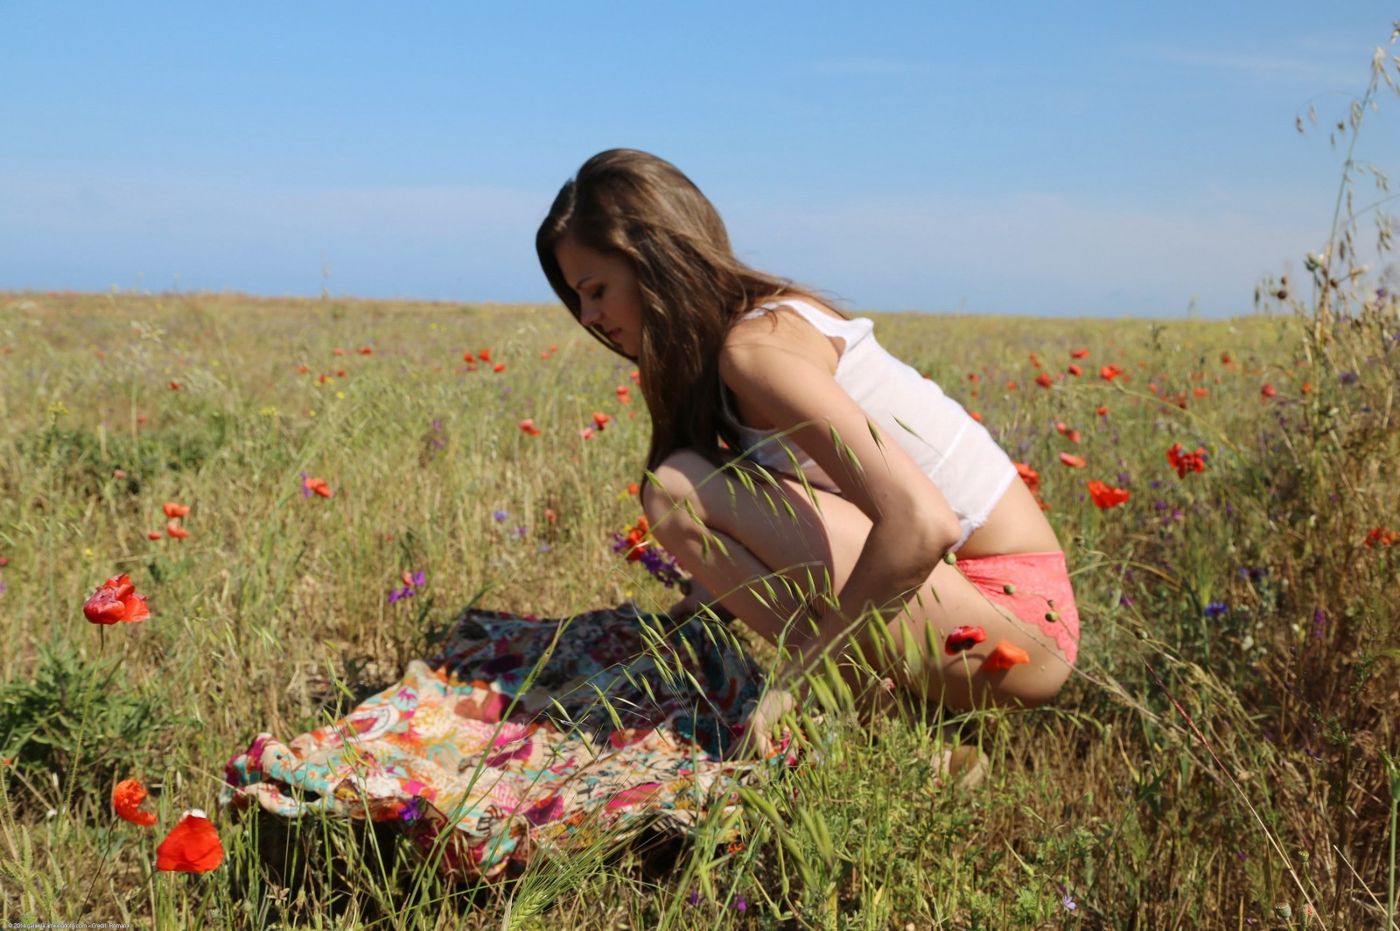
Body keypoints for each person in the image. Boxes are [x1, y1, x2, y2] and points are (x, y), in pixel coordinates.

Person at [536, 149, 1078, 754]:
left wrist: (799, 678)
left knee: (677, 487)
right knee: (683, 483)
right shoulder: (740, 346)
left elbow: (923, 523)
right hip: (963, 605)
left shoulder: (758, 350)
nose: (589, 316)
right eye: (579, 300)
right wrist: (694, 613)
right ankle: (913, 732)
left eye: (596, 290)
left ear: (655, 261)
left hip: (1018, 626)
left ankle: (896, 734)